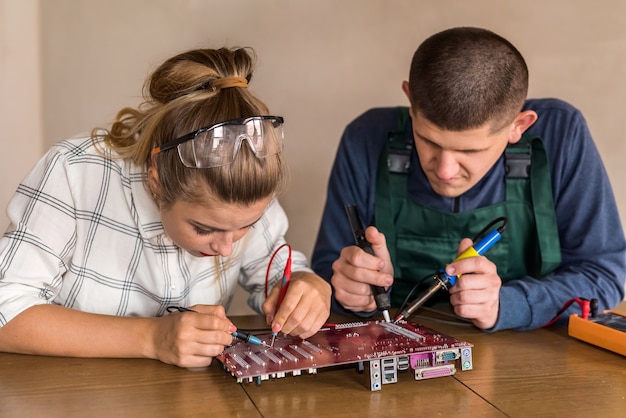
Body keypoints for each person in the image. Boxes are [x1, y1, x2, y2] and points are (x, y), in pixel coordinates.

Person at [0, 47, 331, 368]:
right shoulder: (74, 173)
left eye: (248, 225)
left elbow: (275, 272)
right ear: (156, 181)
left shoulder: (246, 180)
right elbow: (5, 309)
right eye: (204, 228)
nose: (228, 248)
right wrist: (152, 338)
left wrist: (306, 286)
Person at [311, 27, 626, 331]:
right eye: (429, 141)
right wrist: (352, 291)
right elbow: (327, 270)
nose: (445, 171)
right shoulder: (366, 137)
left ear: (519, 126)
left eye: (471, 150)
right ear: (411, 100)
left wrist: (506, 304)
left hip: (531, 363)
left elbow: (604, 275)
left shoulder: (560, 136)